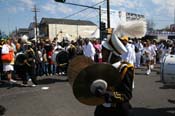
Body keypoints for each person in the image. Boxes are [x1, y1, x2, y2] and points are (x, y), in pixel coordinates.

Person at [94, 34, 134, 116]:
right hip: (102, 110)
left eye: (104, 51)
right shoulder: (103, 67)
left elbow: (127, 95)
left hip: (118, 110)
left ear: (111, 53)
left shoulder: (125, 69)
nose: (102, 54)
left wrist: (109, 96)